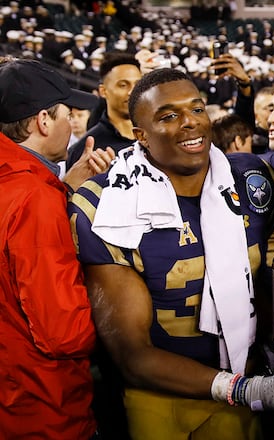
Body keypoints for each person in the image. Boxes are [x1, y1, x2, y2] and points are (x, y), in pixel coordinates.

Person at [67, 67, 274, 440]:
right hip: (164, 401)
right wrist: (243, 389)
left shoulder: (252, 178)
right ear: (140, 135)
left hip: (251, 386)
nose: (190, 122)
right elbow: (132, 355)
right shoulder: (108, 204)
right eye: (169, 116)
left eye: (197, 109)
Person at [0, 57, 115, 439]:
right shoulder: (34, 198)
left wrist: (62, 190)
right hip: (42, 408)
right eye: (68, 114)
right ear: (43, 122)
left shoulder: (24, 187)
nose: (72, 124)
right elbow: (63, 332)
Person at [66, 51, 142, 170]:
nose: (132, 92)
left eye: (138, 85)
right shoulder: (85, 151)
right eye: (123, 85)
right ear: (103, 91)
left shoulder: (157, 138)